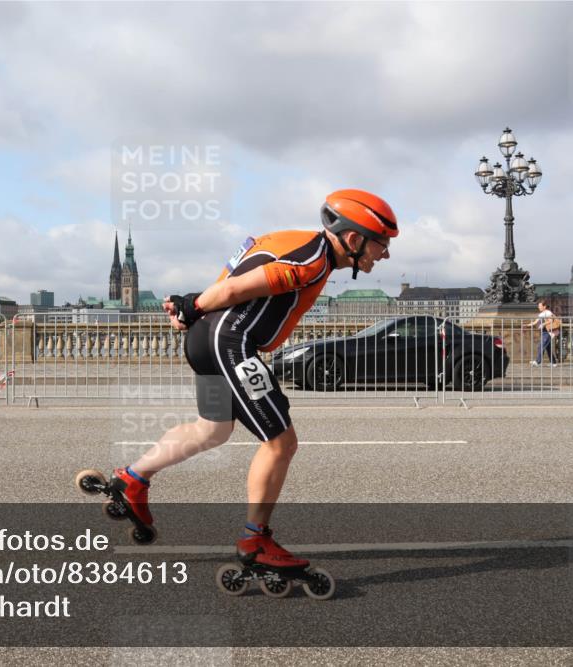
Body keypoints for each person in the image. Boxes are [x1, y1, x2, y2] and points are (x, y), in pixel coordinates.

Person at [107, 189, 398, 569]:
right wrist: (193, 306)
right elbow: (231, 289)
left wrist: (191, 308)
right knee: (281, 442)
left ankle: (132, 479)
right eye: (382, 244)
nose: (386, 254)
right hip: (231, 344)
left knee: (211, 431)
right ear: (355, 239)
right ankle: (255, 540)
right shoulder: (312, 260)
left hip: (207, 338)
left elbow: (232, 272)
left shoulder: (288, 239)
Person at [522, 300, 558, 367]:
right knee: (548, 348)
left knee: (540, 346)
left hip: (549, 332)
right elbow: (535, 322)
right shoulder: (541, 314)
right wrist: (527, 325)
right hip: (544, 332)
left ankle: (538, 362)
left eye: (540, 306)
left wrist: (543, 324)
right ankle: (553, 363)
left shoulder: (548, 312)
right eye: (538, 306)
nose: (539, 307)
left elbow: (551, 320)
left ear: (544, 306)